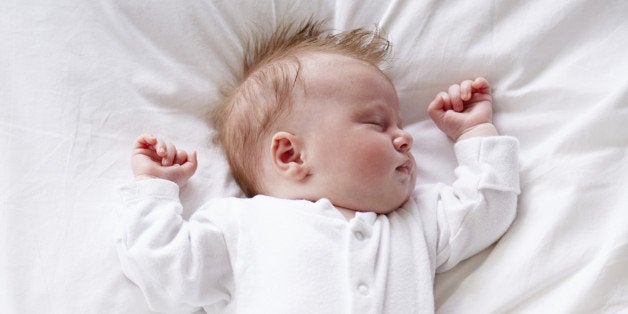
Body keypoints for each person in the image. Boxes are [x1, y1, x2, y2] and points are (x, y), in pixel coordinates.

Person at [116, 19, 520, 313]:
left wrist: (475, 133)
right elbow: (165, 271)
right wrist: (154, 188)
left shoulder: (417, 221)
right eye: (378, 123)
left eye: (398, 124)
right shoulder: (243, 225)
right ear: (291, 156)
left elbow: (486, 207)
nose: (406, 138)